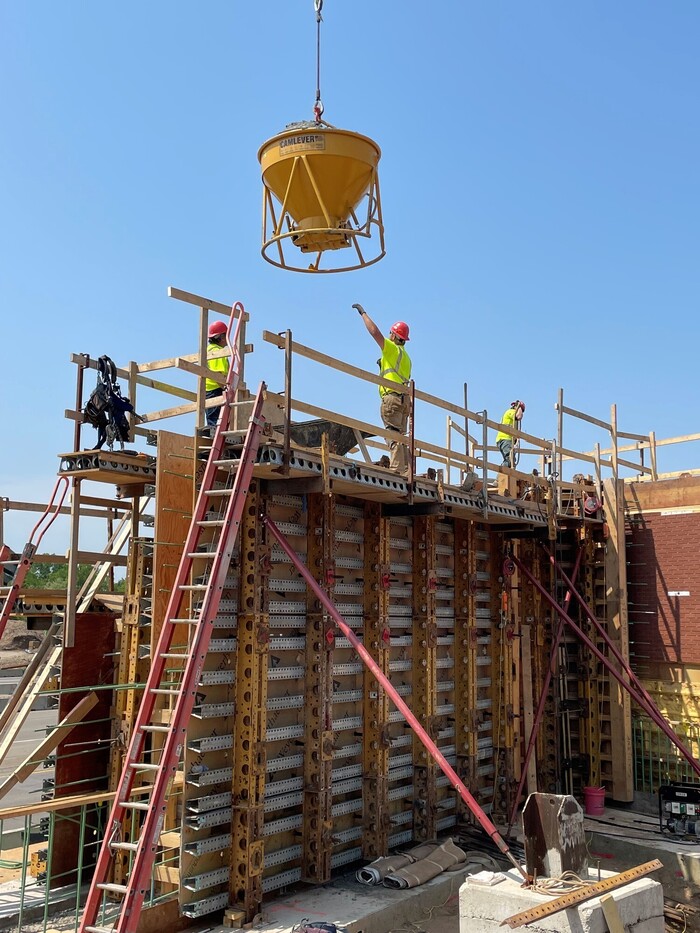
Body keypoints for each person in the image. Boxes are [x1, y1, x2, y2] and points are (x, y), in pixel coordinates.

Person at [354, 303, 412, 475]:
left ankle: (396, 470)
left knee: (393, 436)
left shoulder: (391, 350)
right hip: (404, 400)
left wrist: (363, 313)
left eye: (391, 333)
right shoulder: (407, 358)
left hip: (392, 399)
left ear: (394, 336)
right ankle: (405, 470)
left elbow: (374, 332)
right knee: (401, 436)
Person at [205, 320, 230, 427]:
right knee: (215, 423)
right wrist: (226, 389)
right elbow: (218, 375)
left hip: (210, 391)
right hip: (215, 391)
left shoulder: (209, 349)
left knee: (214, 420)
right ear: (222, 337)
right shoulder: (217, 351)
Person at [496, 400, 525, 467]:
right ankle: (502, 471)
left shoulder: (513, 419)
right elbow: (519, 416)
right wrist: (520, 408)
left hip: (505, 440)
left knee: (511, 460)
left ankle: (505, 472)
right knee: (510, 460)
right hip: (505, 439)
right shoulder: (511, 412)